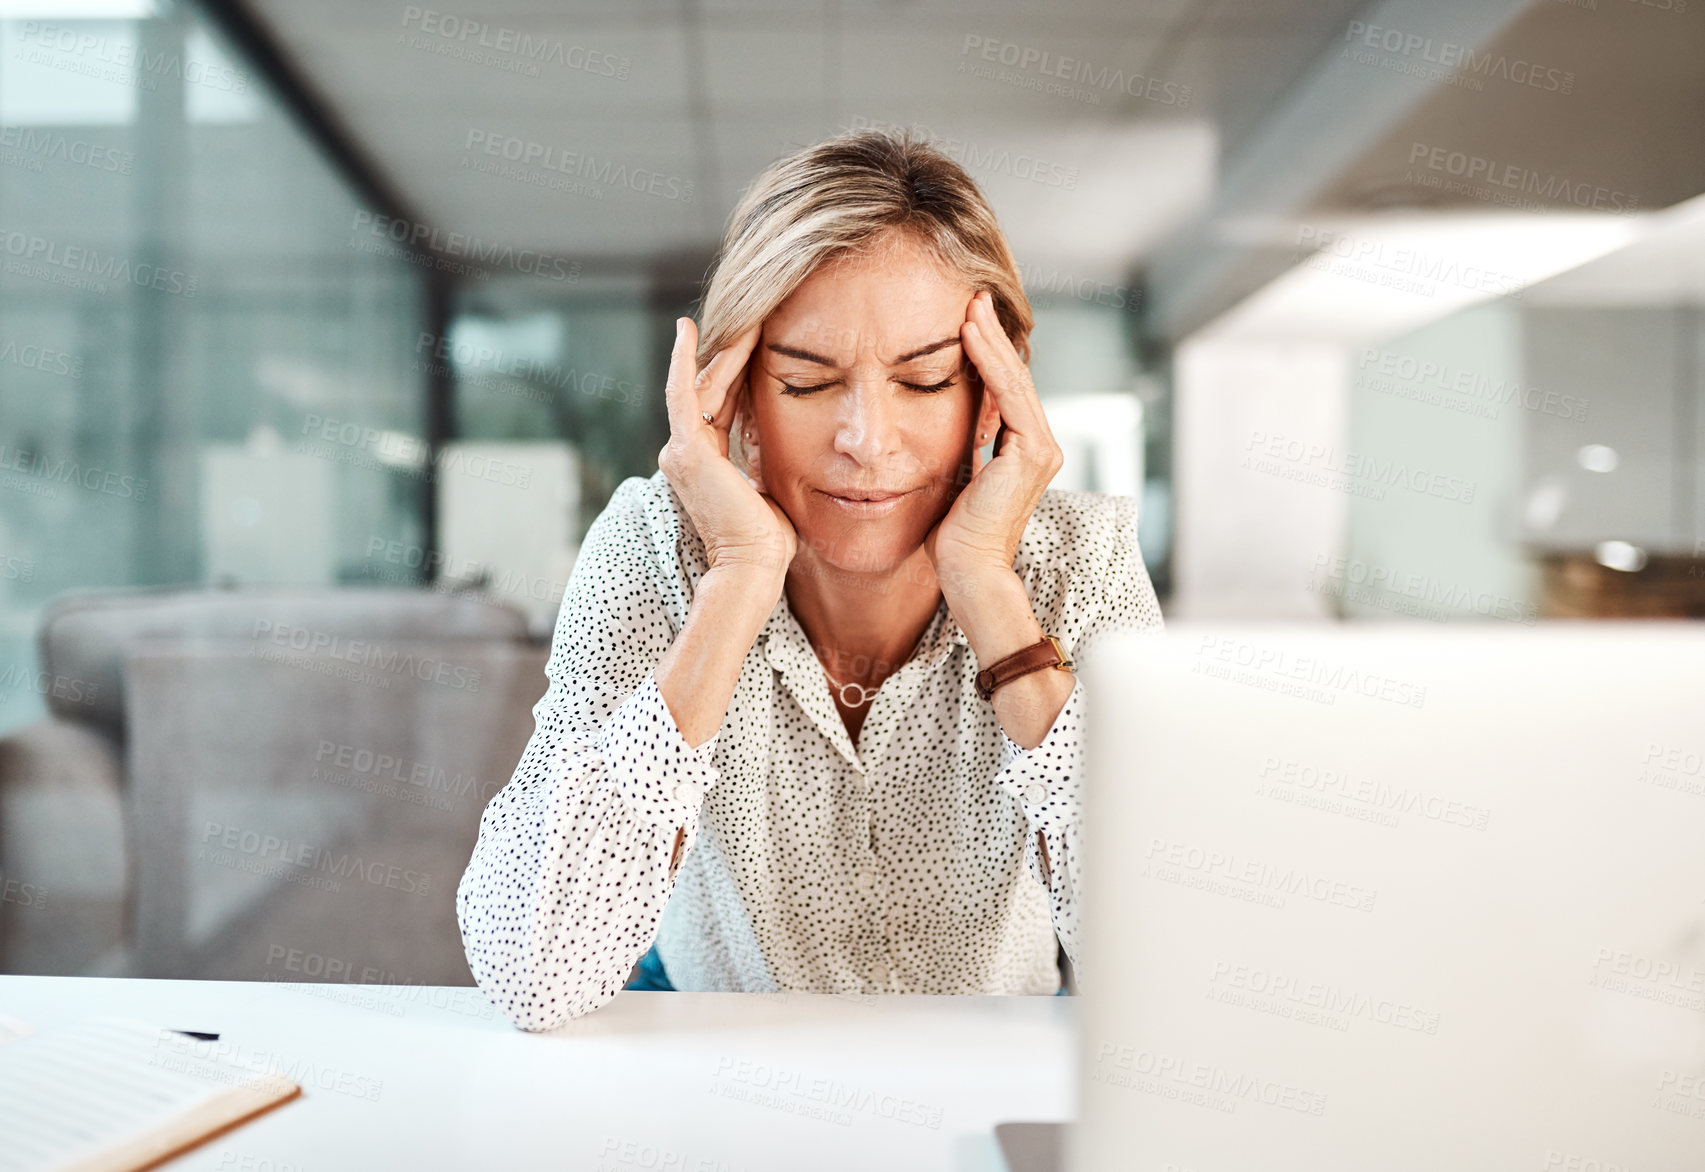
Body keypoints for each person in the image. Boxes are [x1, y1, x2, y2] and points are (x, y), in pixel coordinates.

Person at [455, 127, 1164, 1031]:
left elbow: (1166, 972)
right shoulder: (650, 544)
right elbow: (532, 974)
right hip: (712, 1053)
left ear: (993, 390)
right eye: (803, 382)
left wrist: (988, 589)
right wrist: (738, 582)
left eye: (925, 379)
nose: (867, 439)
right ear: (741, 399)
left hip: (993, 1056)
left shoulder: (1079, 558)